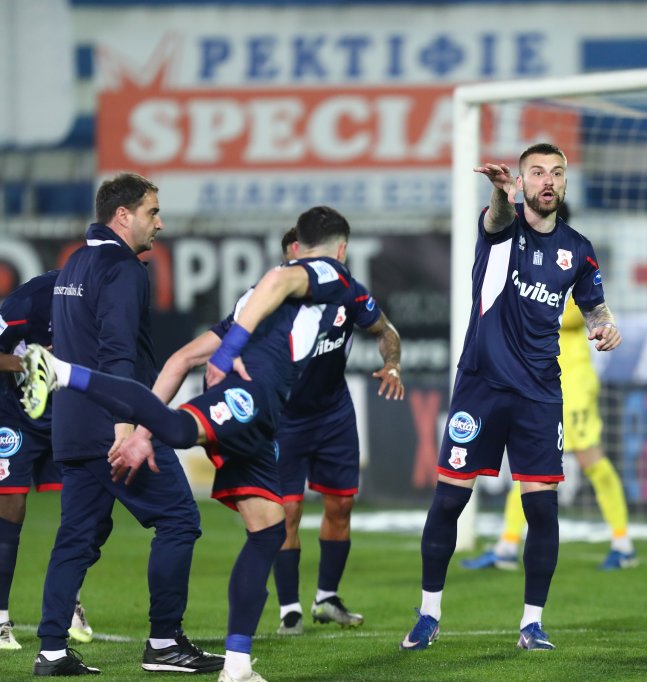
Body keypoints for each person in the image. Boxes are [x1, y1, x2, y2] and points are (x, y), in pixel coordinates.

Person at [22, 205, 402, 682]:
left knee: (267, 530)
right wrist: (227, 355)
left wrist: (142, 435)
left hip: (264, 423)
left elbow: (181, 360)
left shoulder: (256, 300)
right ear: (340, 248)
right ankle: (61, 372)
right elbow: (280, 281)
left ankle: (237, 665)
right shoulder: (326, 271)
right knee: (181, 437)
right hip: (249, 398)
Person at [400, 142, 621, 652]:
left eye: (557, 173)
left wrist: (606, 326)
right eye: (537, 172)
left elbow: (595, 307)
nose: (548, 181)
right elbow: (497, 218)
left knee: (542, 511)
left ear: (565, 182)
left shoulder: (578, 249)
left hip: (540, 394)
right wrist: (500, 194)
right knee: (450, 500)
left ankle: (532, 624)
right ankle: (429, 613)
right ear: (521, 182)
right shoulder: (502, 227)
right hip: (481, 385)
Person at [30, 173, 216, 676]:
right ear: (123, 215)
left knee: (76, 537)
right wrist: (126, 427)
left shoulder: (74, 263)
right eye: (152, 212)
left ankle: (51, 651)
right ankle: (164, 643)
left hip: (71, 424)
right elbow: (116, 352)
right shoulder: (123, 269)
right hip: (113, 426)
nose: (160, 223)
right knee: (179, 520)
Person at [461, 203, 635, 573]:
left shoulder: (572, 259)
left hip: (572, 383)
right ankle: (507, 546)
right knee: (528, 466)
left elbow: (583, 311)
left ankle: (622, 543)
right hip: (538, 381)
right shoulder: (527, 257)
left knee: (590, 460)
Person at [272, 225, 404, 635]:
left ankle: (326, 598)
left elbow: (386, 330)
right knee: (287, 512)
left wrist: (392, 363)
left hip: (333, 414)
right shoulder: (269, 298)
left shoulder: (348, 292)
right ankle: (289, 609)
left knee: (341, 505)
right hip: (285, 419)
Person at [0, 271, 100, 651]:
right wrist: (26, 364)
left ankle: (68, 602)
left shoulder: (108, 300)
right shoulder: (26, 301)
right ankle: (0, 619)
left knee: (83, 512)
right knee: (11, 508)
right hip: (17, 417)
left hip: (68, 418)